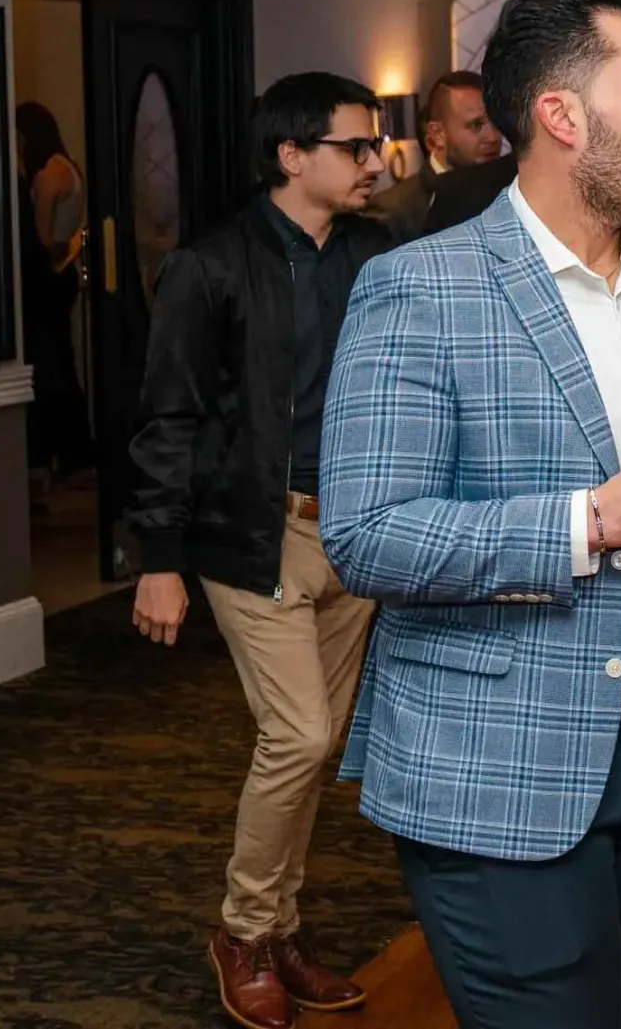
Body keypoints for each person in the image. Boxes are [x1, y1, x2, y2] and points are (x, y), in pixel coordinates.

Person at [319, 0, 621, 1029]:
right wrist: (593, 521)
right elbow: (367, 537)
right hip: (498, 758)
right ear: (562, 116)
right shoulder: (420, 289)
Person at [126, 72, 394, 1029]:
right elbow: (168, 416)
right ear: (291, 155)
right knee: (301, 735)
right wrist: (159, 555)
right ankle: (243, 930)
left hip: (356, 528)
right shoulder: (210, 265)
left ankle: (279, 929)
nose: (376, 162)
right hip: (254, 531)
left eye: (376, 146)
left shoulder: (376, 251)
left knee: (315, 750)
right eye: (355, 147)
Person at [15, 102, 92, 488]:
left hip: (48, 276)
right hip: (67, 274)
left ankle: (58, 452)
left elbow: (42, 237)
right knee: (63, 360)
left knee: (50, 366)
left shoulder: (47, 175)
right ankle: (76, 450)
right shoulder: (69, 167)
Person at [367, 70, 513, 241]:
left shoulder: (513, 191)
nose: (493, 137)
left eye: (496, 122)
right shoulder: (393, 210)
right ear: (437, 134)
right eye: (476, 125)